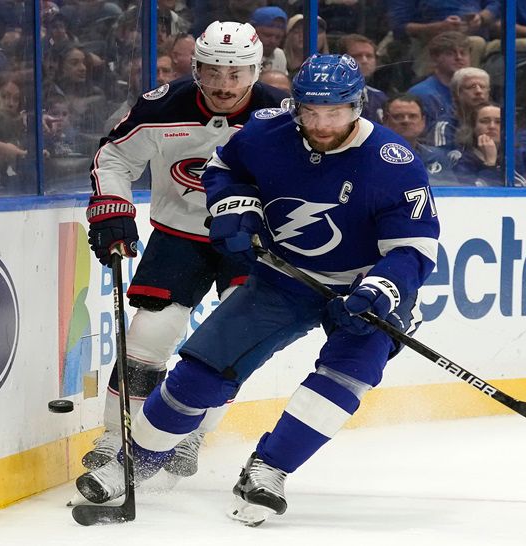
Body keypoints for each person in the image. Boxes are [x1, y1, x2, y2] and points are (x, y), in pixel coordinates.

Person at [75, 54, 440, 526]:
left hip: (363, 288)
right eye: (311, 111)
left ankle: (268, 469)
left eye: (335, 112)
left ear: (358, 106)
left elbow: (412, 250)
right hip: (283, 278)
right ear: (296, 106)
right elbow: (224, 166)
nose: (322, 123)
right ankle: (135, 463)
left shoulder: (394, 163)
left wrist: (381, 290)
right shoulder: (268, 133)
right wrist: (232, 206)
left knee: (346, 377)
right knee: (201, 371)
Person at [80, 21, 288, 478]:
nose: (223, 85)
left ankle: (190, 433)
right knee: (149, 335)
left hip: (252, 241)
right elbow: (114, 157)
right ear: (195, 67)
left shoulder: (281, 116)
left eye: (236, 74)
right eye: (213, 71)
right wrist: (112, 206)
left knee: (230, 343)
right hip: (179, 235)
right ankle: (116, 437)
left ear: (255, 71)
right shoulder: (162, 105)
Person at [407, 32, 471, 142]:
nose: (459, 58)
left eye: (463, 53)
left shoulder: (475, 91)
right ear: (435, 57)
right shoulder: (421, 94)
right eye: (450, 53)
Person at [382, 94, 457, 185]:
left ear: (423, 121)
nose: (406, 121)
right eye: (398, 116)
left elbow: (453, 192)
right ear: (385, 120)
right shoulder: (372, 156)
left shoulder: (437, 157)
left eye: (412, 116)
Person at [431, 66, 489, 148]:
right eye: (471, 87)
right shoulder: (445, 126)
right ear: (456, 94)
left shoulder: (498, 121)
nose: (478, 91)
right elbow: (443, 159)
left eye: (482, 87)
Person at [336, 34, 387, 124]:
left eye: (369, 56)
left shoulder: (380, 97)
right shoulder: (329, 97)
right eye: (357, 56)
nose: (364, 61)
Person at [250, 6, 288, 75]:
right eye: (267, 35)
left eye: (278, 37)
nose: (273, 41)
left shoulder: (279, 55)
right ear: (252, 32)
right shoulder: (242, 55)